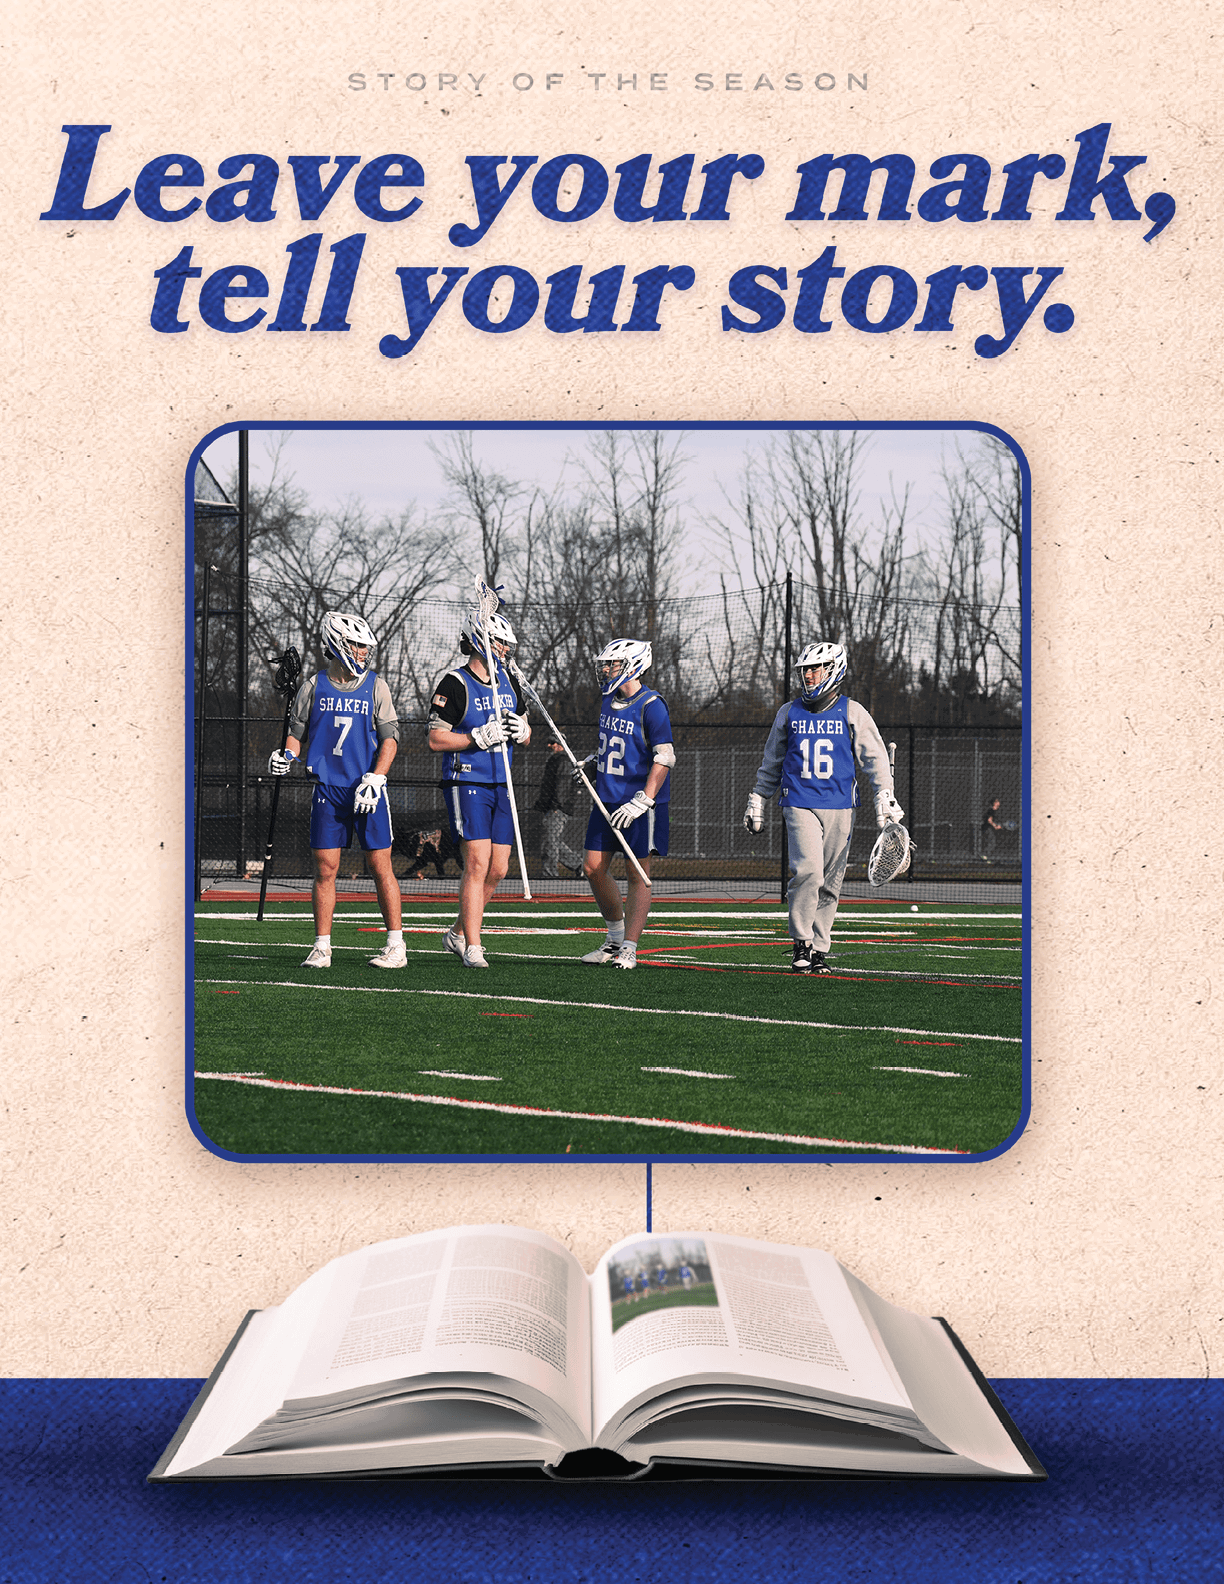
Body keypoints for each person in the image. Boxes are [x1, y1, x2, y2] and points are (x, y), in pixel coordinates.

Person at [743, 641, 902, 976]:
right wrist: (758, 796)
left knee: (830, 881)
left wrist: (884, 795)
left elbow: (874, 758)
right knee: (809, 872)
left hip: (841, 805)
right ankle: (801, 942)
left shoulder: (852, 711)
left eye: (816, 668)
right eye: (806, 669)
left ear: (835, 669)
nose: (810, 675)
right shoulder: (788, 712)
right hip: (799, 801)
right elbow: (772, 760)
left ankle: (818, 948)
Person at [268, 610, 404, 970]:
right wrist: (285, 756)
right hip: (328, 789)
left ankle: (396, 945)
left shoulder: (376, 686)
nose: (362, 652)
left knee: (380, 865)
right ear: (337, 644)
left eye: (364, 646)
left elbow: (390, 739)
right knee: (325, 869)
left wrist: (377, 777)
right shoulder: (313, 686)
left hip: (368, 789)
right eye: (356, 645)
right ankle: (322, 947)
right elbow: (295, 736)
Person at [428, 607, 530, 968]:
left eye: (506, 643)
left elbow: (525, 724)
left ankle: (457, 932)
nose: (504, 649)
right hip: (467, 779)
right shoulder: (454, 683)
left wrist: (524, 731)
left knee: (499, 869)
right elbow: (436, 739)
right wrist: (475, 737)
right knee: (477, 862)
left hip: (503, 781)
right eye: (498, 641)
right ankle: (473, 944)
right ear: (479, 640)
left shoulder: (509, 680)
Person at [578, 638, 676, 971]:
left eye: (613, 664)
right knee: (592, 867)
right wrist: (594, 763)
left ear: (632, 665)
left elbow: (664, 757)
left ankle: (630, 947)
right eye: (605, 664)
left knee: (638, 873)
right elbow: (614, 746)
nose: (606, 670)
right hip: (607, 798)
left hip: (638, 804)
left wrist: (645, 798)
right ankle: (615, 937)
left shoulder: (652, 704)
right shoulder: (608, 699)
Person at [533, 740, 584, 878]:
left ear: (561, 744)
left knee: (550, 841)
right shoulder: (555, 760)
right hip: (552, 807)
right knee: (551, 840)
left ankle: (550, 874)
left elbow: (563, 785)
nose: (549, 745)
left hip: (557, 808)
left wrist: (556, 806)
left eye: (552, 742)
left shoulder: (562, 761)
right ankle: (579, 865)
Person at [981, 796, 1003, 862]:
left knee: (991, 842)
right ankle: (984, 855)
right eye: (996, 801)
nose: (998, 802)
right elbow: (989, 820)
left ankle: (987, 858)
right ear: (993, 803)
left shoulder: (995, 811)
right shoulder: (991, 810)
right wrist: (995, 826)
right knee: (992, 842)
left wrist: (997, 825)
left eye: (998, 801)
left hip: (989, 828)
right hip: (987, 828)